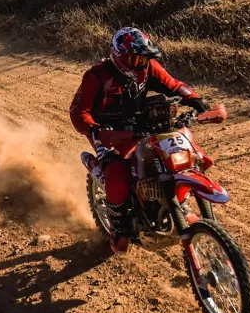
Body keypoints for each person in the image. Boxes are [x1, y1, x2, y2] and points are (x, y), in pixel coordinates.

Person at [70, 27, 209, 254]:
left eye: (144, 58)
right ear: (120, 57)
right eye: (136, 59)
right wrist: (95, 129)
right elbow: (78, 112)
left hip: (142, 126)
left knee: (175, 154)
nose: (142, 63)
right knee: (117, 171)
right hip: (109, 133)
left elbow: (173, 85)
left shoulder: (149, 67)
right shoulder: (97, 76)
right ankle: (118, 227)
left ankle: (177, 203)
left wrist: (193, 98)